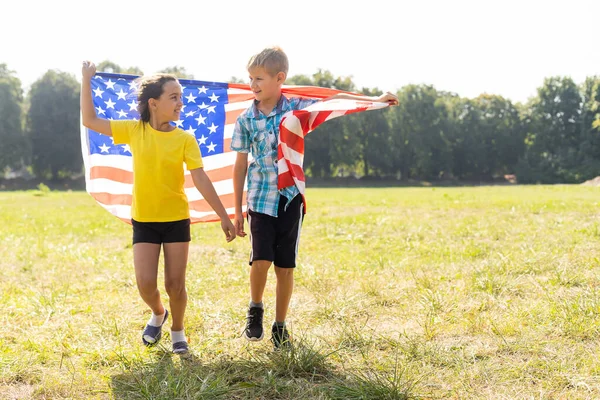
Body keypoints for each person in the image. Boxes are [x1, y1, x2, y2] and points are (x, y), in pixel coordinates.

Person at [231, 47, 398, 349]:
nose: (252, 85)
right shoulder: (246, 119)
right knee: (261, 260)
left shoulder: (296, 109)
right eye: (250, 79)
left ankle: (280, 326)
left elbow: (335, 104)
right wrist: (235, 210)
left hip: (289, 197)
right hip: (259, 199)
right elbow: (241, 163)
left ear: (280, 78)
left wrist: (375, 101)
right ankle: (255, 308)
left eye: (259, 78)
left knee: (285, 266)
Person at [80, 61, 236, 354]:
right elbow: (90, 120)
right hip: (144, 220)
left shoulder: (185, 139)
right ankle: (158, 312)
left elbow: (200, 178)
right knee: (145, 284)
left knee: (175, 284)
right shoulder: (134, 131)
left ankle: (178, 330)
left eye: (181, 96)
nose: (181, 102)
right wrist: (86, 79)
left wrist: (223, 216)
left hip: (176, 219)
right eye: (174, 97)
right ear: (154, 103)